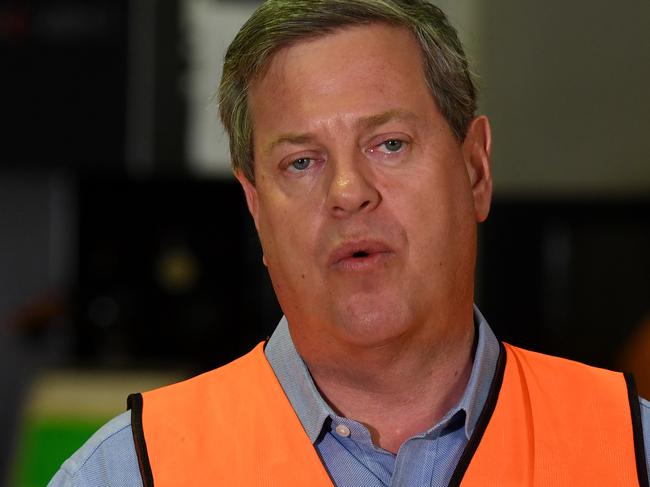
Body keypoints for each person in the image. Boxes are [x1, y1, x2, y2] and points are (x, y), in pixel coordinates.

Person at [50, 1, 650, 485]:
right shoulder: (129, 473)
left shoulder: (633, 453)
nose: (347, 192)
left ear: (475, 171)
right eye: (302, 162)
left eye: (388, 144)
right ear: (256, 209)